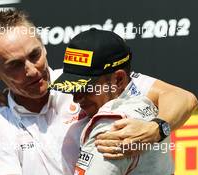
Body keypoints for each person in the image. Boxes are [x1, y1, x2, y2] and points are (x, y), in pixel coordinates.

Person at [0, 9, 198, 175]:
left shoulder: (83, 78)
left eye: (35, 55)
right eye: (15, 65)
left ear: (43, 46)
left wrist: (155, 129)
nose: (32, 71)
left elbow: (183, 98)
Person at [50, 28, 175, 175]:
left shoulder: (111, 128)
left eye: (85, 88)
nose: (76, 98)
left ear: (118, 80)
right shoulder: (148, 106)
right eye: (73, 88)